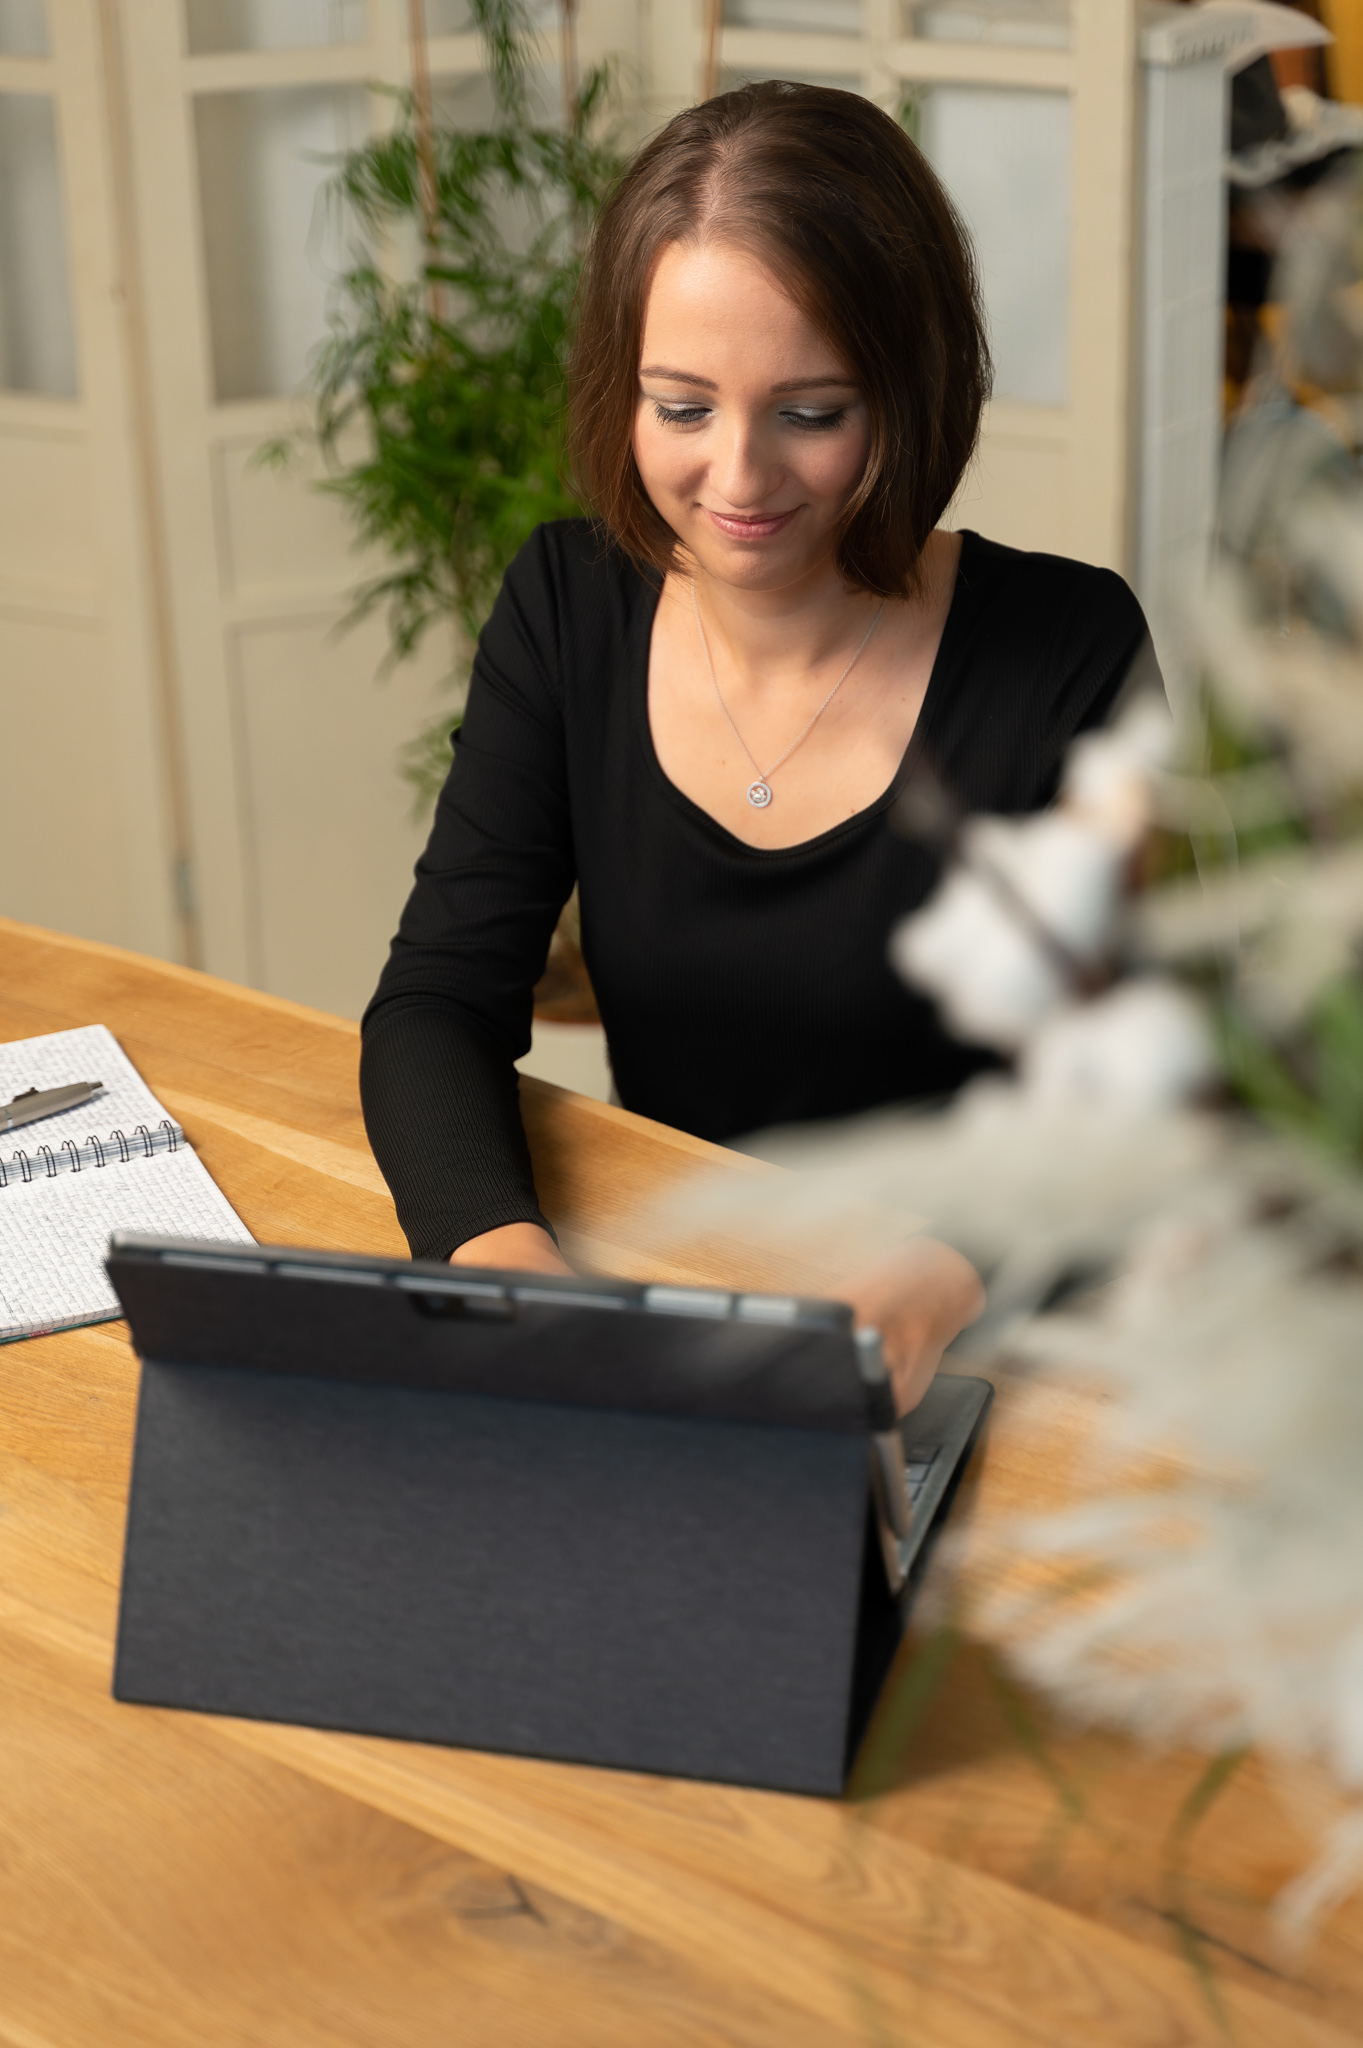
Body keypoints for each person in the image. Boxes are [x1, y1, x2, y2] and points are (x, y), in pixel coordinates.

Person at [360, 80, 1151, 1410]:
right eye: (681, 408)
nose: (736, 480)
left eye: (811, 412)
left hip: (997, 1340)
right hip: (682, 1297)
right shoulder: (568, 606)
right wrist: (506, 1265)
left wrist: (939, 1278)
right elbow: (437, 1002)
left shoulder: (1068, 647)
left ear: (908, 393)